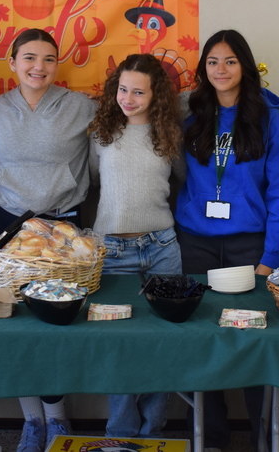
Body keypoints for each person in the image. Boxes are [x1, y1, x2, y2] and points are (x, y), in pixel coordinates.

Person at [175, 29, 279, 451]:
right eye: (212, 61)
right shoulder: (191, 114)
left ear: (244, 65)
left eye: (229, 61)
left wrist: (273, 257)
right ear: (203, 68)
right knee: (202, 341)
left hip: (251, 245)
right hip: (197, 243)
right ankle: (210, 439)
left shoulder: (269, 119)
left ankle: (264, 437)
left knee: (255, 340)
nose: (221, 70)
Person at [0, 28, 96, 452]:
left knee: (58, 328)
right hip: (9, 226)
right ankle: (31, 419)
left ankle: (58, 418)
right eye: (29, 58)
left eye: (48, 59)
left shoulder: (80, 106)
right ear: (11, 63)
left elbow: (108, 144)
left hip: (62, 228)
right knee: (15, 326)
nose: (38, 67)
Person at [88, 53, 185, 439]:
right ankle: (121, 430)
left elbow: (179, 182)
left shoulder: (169, 135)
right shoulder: (101, 133)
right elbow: (94, 184)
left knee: (165, 339)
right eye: (123, 89)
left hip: (162, 245)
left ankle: (154, 427)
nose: (128, 98)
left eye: (138, 92)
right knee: (119, 344)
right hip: (112, 250)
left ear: (156, 95)